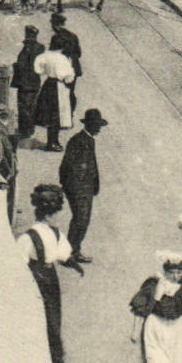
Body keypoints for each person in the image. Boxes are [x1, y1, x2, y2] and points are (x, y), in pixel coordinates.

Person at [17, 184, 74, 363]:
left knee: (37, 315)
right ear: (50, 214)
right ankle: (53, 354)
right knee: (53, 315)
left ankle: (39, 352)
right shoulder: (56, 234)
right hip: (50, 277)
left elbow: (20, 262)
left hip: (35, 276)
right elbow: (64, 254)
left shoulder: (27, 237)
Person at [59, 108, 107, 268]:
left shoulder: (89, 139)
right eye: (97, 125)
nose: (99, 128)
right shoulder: (77, 141)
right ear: (90, 125)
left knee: (82, 221)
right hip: (78, 189)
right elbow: (67, 166)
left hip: (85, 189)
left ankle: (74, 250)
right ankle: (69, 254)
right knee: (80, 220)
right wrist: (71, 188)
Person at [32, 37, 76, 151]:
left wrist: (46, 72)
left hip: (48, 85)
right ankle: (53, 142)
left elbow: (38, 69)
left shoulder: (45, 55)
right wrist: (67, 80)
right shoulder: (62, 59)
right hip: (59, 86)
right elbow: (69, 76)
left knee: (49, 115)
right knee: (57, 115)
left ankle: (52, 141)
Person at [11, 25, 44, 141]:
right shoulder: (41, 48)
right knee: (32, 106)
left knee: (24, 107)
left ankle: (25, 131)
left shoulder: (27, 49)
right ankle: (30, 128)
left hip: (25, 83)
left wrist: (15, 66)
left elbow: (21, 65)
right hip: (35, 82)